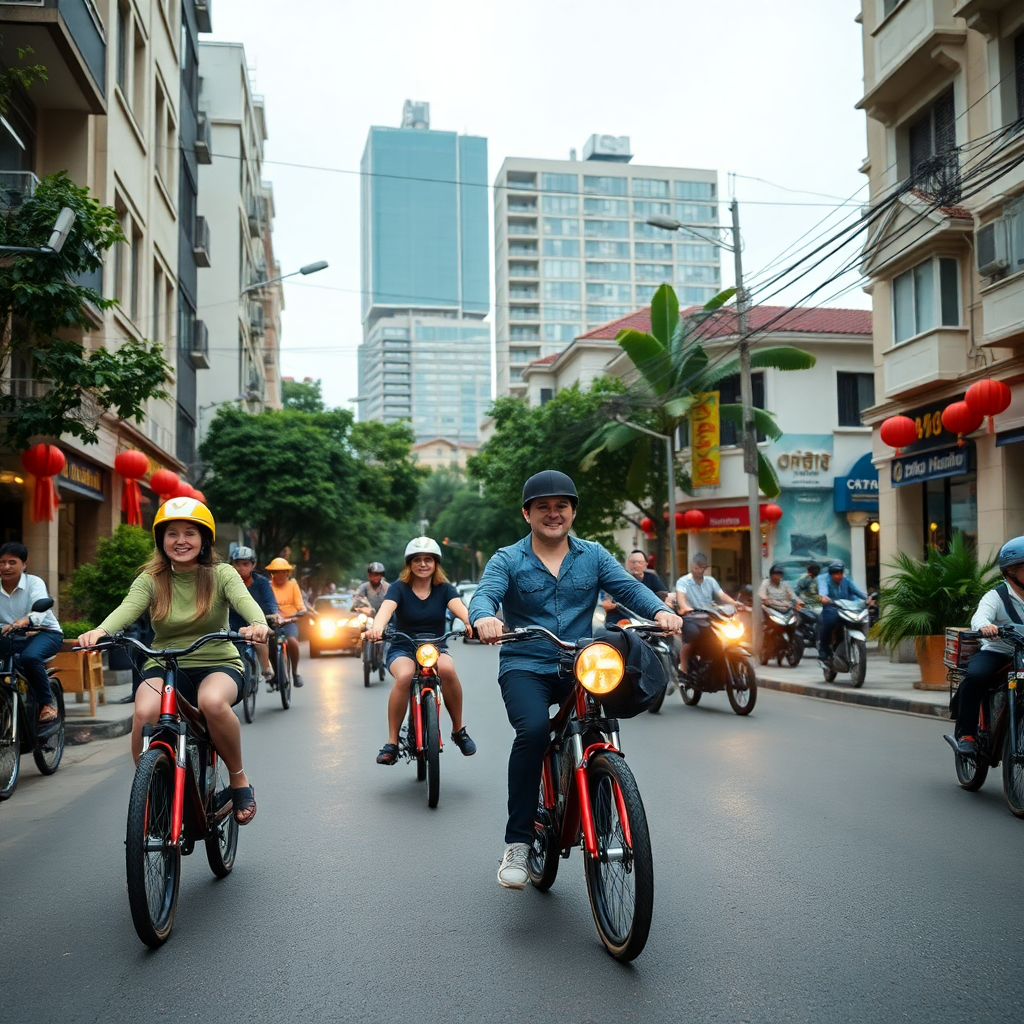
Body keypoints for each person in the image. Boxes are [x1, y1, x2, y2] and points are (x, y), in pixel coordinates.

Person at [468, 470, 681, 890]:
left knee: (600, 724)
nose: (553, 514)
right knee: (531, 733)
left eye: (561, 506)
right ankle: (519, 842)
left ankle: (602, 787)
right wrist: (484, 618)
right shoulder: (507, 558)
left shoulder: (594, 554)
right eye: (543, 508)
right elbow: (486, 594)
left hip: (579, 663)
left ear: (572, 511)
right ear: (527, 513)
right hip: (525, 663)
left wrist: (659, 611)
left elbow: (627, 589)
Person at [77, 498, 268, 825]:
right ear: (161, 541)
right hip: (164, 662)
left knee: (212, 703)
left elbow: (245, 603)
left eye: (190, 533)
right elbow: (127, 609)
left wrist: (258, 625)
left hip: (217, 660)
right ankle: (150, 788)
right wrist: (100, 631)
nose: (181, 540)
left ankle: (238, 778)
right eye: (172, 534)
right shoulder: (150, 579)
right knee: (145, 712)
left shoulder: (222, 574)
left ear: (204, 539)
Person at [365, 537, 475, 765]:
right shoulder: (398, 589)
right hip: (403, 646)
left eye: (428, 560)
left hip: (435, 646)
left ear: (436, 564)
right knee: (405, 677)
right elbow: (386, 610)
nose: (423, 564)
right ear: (409, 564)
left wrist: (471, 623)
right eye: (417, 560)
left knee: (448, 670)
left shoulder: (445, 589)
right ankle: (392, 743)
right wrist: (377, 628)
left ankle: (458, 730)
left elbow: (461, 610)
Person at [946, 537, 1024, 756]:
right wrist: (986, 626)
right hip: (998, 652)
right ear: (1010, 571)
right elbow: (979, 617)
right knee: (976, 676)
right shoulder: (996, 596)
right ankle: (967, 734)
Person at [0, 542, 63, 723]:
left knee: (29, 658)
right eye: (2, 562)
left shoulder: (34, 583)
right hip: (10, 637)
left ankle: (47, 703)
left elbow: (40, 609)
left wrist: (24, 621)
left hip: (44, 633)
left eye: (12, 562)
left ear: (24, 564)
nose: (6, 567)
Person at [674, 553, 744, 675]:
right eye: (697, 567)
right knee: (690, 639)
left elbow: (721, 595)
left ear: (706, 568)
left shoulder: (710, 581)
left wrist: (734, 603)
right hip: (691, 617)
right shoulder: (683, 581)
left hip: (710, 616)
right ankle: (683, 669)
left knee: (721, 636)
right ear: (692, 566)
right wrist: (685, 607)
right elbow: (681, 598)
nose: (699, 570)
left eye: (702, 567)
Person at [228, 547, 279, 687]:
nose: (240, 568)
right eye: (237, 563)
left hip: (258, 622)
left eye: (245, 564)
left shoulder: (262, 582)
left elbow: (271, 602)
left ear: (253, 564)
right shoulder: (227, 581)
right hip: (233, 623)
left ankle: (266, 668)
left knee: (260, 639)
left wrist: (274, 615)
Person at [817, 560, 872, 668]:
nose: (838, 576)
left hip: (848, 607)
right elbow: (823, 591)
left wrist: (868, 598)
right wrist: (823, 597)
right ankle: (823, 651)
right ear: (831, 574)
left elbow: (857, 591)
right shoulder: (823, 579)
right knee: (829, 622)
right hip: (832, 607)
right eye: (835, 574)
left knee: (859, 621)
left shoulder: (846, 580)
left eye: (840, 573)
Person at [266, 557, 306, 687]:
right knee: (270, 645)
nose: (281, 574)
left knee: (293, 642)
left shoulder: (293, 584)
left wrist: (301, 611)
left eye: (283, 571)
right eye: (277, 572)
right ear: (272, 573)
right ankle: (277, 674)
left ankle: (295, 672)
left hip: (290, 620)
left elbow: (300, 605)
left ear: (288, 573)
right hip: (272, 621)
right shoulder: (267, 586)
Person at [600, 549, 668, 626]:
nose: (636, 565)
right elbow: (606, 599)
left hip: (647, 617)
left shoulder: (652, 577)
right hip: (621, 616)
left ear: (646, 564)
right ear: (627, 563)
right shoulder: (618, 578)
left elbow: (664, 594)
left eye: (639, 562)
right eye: (633, 562)